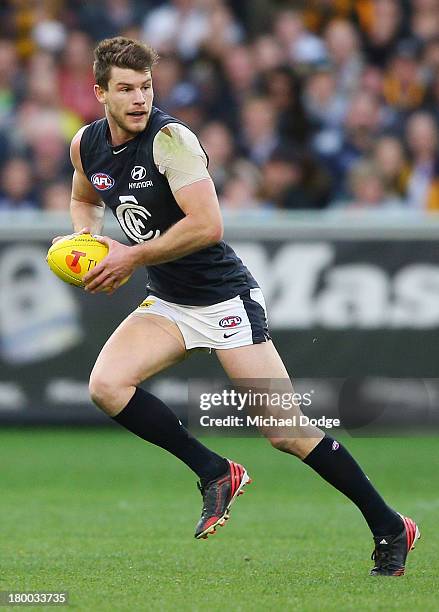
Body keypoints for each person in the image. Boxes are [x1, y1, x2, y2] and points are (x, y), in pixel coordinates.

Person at [55, 37, 420, 576]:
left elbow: (208, 225)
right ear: (100, 93)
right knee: (106, 386)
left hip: (224, 298)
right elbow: (85, 199)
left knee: (286, 432)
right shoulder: (86, 143)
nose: (138, 99)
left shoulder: (171, 140)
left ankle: (391, 525)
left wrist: (131, 256)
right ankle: (214, 471)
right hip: (171, 299)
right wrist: (89, 242)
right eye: (126, 89)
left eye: (146, 87)